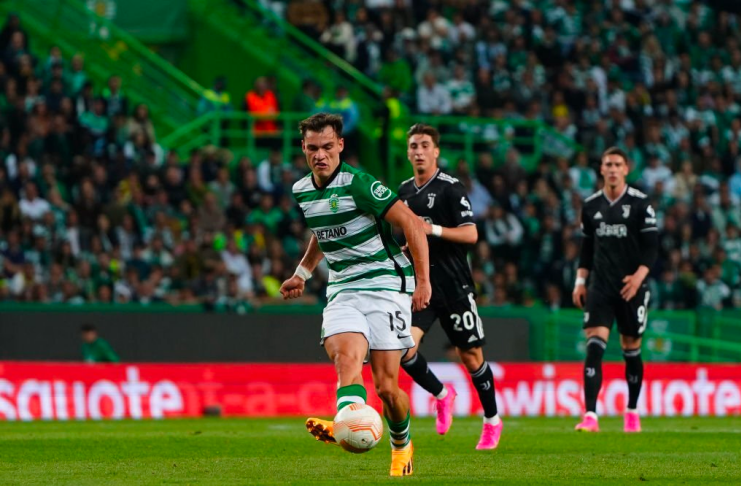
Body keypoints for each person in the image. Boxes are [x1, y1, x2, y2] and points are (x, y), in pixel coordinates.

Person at [280, 113, 431, 477]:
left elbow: (410, 222)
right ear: (303, 148)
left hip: (385, 286)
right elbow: (323, 230)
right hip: (344, 289)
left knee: (386, 387)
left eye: (328, 147)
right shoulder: (302, 190)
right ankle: (349, 422)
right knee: (346, 360)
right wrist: (302, 273)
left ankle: (401, 444)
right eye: (313, 148)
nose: (320, 154)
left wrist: (423, 282)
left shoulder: (359, 184)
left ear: (340, 146)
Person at [397, 124, 503, 450]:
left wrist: (433, 230)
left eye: (424, 145)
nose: (418, 151)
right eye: (413, 145)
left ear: (435, 151)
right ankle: (442, 394)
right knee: (403, 350)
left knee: (470, 357)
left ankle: (492, 421)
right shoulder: (402, 192)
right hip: (421, 288)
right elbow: (404, 238)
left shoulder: (450, 188)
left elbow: (471, 234)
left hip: (454, 285)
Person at [572, 147, 659, 433]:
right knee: (594, 348)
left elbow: (651, 249)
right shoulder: (591, 205)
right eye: (607, 164)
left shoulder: (640, 204)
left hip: (631, 288)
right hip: (600, 287)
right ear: (601, 169)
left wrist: (638, 278)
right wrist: (580, 281)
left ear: (626, 169)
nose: (612, 168)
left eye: (617, 164)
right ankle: (590, 416)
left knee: (630, 349)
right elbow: (586, 250)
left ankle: (632, 411)